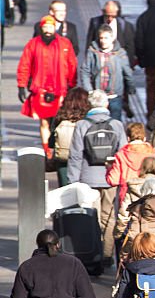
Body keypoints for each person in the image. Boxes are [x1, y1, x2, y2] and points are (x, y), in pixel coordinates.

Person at [67, 90, 128, 267]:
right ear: (106, 105)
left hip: (87, 179)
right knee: (109, 218)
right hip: (110, 179)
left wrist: (73, 181)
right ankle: (107, 255)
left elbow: (76, 156)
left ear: (90, 105)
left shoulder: (81, 125)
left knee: (90, 218)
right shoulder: (116, 125)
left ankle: (92, 253)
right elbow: (122, 154)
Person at [17, 15, 77, 147]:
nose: (48, 30)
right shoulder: (33, 44)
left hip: (60, 89)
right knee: (44, 122)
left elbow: (72, 65)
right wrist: (21, 85)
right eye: (45, 27)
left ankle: (56, 147)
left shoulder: (65, 44)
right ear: (41, 28)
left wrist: (72, 85)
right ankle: (47, 151)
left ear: (55, 27)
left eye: (50, 26)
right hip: (40, 89)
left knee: (59, 121)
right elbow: (24, 64)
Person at [80, 25, 133, 123]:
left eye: (106, 38)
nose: (103, 41)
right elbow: (85, 71)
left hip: (114, 96)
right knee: (97, 123)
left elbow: (127, 73)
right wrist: (90, 91)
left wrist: (131, 88)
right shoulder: (93, 51)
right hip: (98, 96)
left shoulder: (120, 53)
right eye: (101, 38)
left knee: (115, 123)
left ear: (112, 38)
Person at [107, 122, 155, 202]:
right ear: (144, 138)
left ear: (128, 138)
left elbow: (113, 180)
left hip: (128, 196)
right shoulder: (153, 153)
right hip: (149, 195)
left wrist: (109, 168)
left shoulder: (121, 155)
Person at [48, 86, 90, 187]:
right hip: (85, 161)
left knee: (66, 192)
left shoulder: (59, 117)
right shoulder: (88, 120)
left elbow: (51, 142)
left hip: (64, 161)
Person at [86, 0, 136, 66]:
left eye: (113, 16)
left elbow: (130, 48)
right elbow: (90, 44)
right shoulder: (95, 23)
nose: (110, 18)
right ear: (103, 12)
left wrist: (129, 65)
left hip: (118, 64)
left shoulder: (126, 26)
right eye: (107, 16)